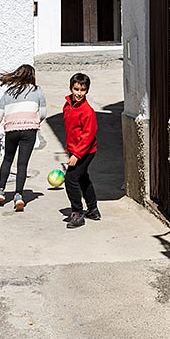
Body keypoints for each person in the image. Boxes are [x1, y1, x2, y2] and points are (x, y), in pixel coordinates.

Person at [0, 64, 47, 212]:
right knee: (22, 164)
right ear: (32, 76)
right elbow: (43, 112)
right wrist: (33, 121)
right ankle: (18, 196)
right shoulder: (38, 91)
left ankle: (0, 190)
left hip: (12, 130)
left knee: (7, 159)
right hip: (29, 131)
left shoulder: (9, 93)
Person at [63, 72, 100, 228]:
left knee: (70, 180)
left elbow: (88, 136)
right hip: (75, 149)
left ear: (87, 91)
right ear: (71, 88)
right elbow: (71, 130)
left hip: (86, 151)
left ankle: (77, 214)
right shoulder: (67, 105)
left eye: (82, 90)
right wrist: (70, 149)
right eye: (76, 89)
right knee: (83, 178)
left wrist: (77, 155)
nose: (79, 93)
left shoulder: (87, 111)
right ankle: (92, 209)